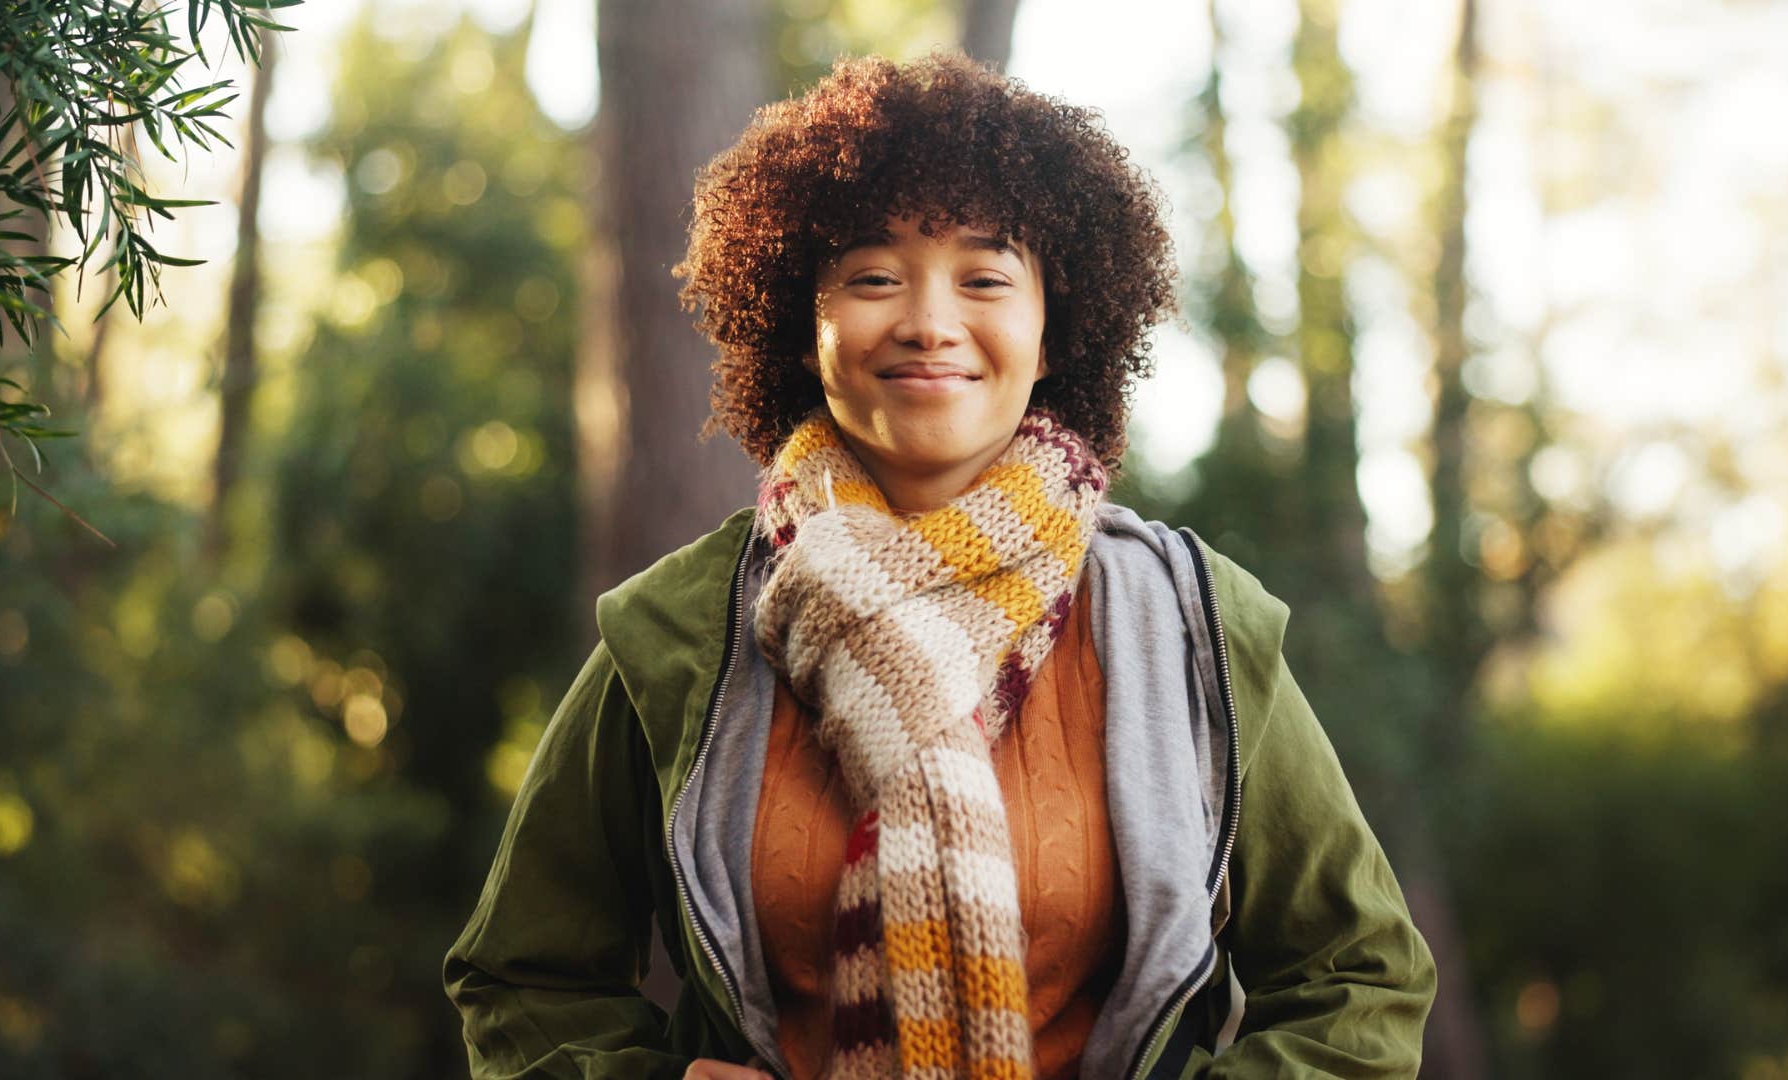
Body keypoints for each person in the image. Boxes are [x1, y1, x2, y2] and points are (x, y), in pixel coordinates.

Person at [443, 51, 1436, 1080]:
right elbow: (521, 979)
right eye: (873, 276)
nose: (927, 322)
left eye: (985, 278)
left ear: (1052, 334)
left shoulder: (1191, 623)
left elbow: (1359, 979)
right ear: (805, 327)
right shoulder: (678, 631)